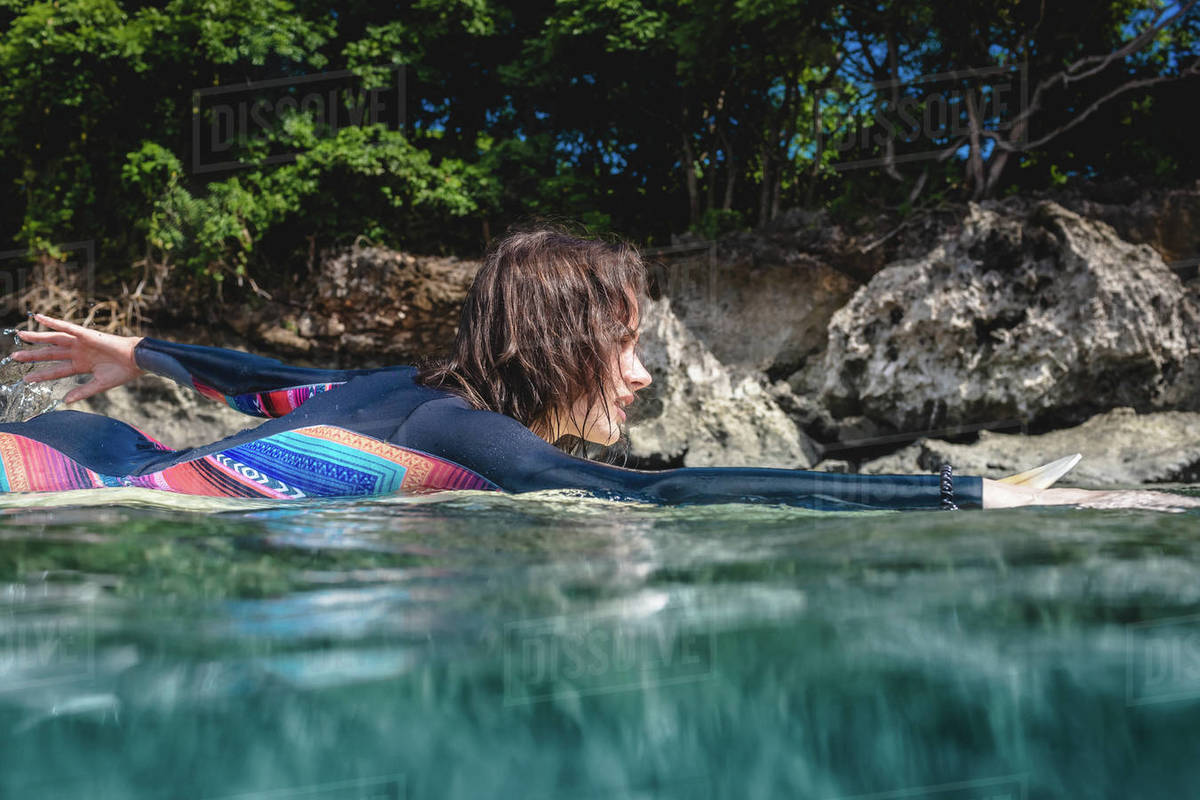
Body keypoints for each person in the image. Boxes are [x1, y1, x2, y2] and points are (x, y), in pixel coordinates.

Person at [0, 229, 1194, 512]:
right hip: (103, 498)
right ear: (565, 342)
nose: (640, 374)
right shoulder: (479, 443)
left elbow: (269, 381)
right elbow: (668, 496)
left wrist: (142, 352)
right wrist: (967, 492)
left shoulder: (396, 390)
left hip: (89, 453)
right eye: (624, 342)